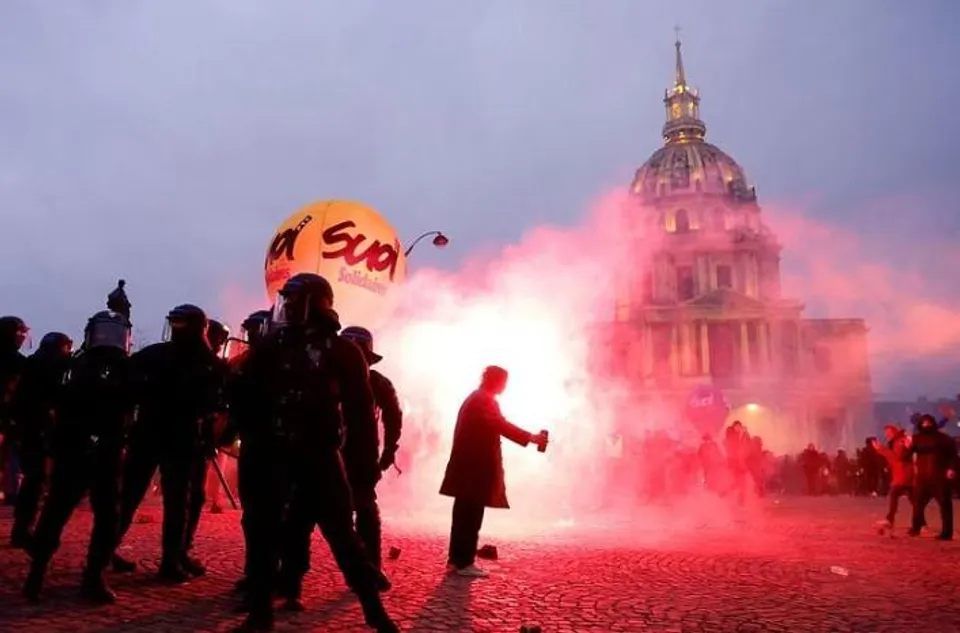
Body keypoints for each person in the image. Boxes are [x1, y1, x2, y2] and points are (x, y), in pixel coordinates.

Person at [231, 273, 396, 632]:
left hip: (319, 456)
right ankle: (260, 614)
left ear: (315, 303)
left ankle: (374, 610)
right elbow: (246, 399)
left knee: (343, 536)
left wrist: (364, 469)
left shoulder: (341, 351)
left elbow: (361, 415)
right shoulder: (271, 344)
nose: (287, 307)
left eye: (295, 300)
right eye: (285, 301)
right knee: (262, 534)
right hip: (271, 453)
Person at [23, 310, 136, 603]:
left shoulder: (74, 365)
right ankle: (90, 579)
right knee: (103, 516)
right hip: (98, 449)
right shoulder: (115, 367)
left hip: (75, 448)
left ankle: (37, 576)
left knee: (57, 511)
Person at [111, 304, 222, 581]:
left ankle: (103, 554)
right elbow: (214, 402)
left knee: (128, 497)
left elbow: (126, 388)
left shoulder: (152, 354)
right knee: (176, 502)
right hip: (181, 437)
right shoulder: (205, 361)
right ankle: (171, 562)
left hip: (147, 432)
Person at [439, 365, 548, 578]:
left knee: (463, 515)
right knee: (470, 517)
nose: (506, 386)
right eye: (504, 381)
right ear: (497, 381)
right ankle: (464, 562)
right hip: (474, 469)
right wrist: (531, 438)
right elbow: (500, 424)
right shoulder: (484, 400)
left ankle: (456, 560)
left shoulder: (476, 397)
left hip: (467, 468)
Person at [9, 332, 73, 548]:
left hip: (31, 429)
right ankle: (25, 529)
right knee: (36, 479)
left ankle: (23, 527)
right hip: (39, 429)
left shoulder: (31, 363)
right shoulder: (49, 366)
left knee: (33, 479)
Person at [224, 309, 271, 595]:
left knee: (272, 515)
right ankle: (255, 573)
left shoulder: (280, 358)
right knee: (253, 515)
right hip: (254, 443)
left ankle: (274, 576)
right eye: (249, 330)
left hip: (276, 444)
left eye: (256, 330)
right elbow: (236, 401)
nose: (252, 336)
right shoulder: (243, 362)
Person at [182, 318, 231, 565]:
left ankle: (179, 551)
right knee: (188, 498)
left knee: (187, 497)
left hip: (184, 437)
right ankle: (178, 553)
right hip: (192, 438)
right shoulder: (211, 366)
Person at [909, 414, 957, 540]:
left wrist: (951, 469)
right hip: (922, 476)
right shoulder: (916, 439)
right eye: (923, 423)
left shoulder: (944, 439)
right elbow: (907, 455)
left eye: (928, 422)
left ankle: (947, 533)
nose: (926, 425)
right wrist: (907, 446)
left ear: (933, 423)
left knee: (944, 504)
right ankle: (915, 528)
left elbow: (952, 454)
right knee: (917, 503)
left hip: (939, 476)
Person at [0, 316, 30, 506]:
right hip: (8, 416)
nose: (22, 337)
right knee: (11, 454)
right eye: (20, 333)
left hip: (9, 416)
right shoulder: (17, 361)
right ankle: (12, 491)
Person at [872, 425, 917, 534]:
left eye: (888, 432)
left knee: (895, 495)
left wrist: (882, 450)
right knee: (913, 500)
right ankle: (919, 522)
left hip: (903, 474)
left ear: (894, 431)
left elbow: (898, 457)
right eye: (886, 433)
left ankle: (890, 519)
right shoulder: (896, 442)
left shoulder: (900, 442)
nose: (887, 435)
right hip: (901, 474)